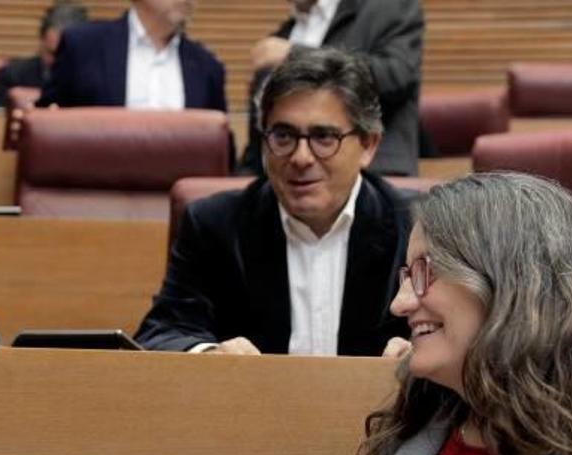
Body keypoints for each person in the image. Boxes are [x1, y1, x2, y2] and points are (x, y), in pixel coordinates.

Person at [352, 172, 572, 455]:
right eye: (407, 274)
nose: (399, 303)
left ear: (512, 282)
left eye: (426, 271)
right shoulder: (420, 426)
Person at [135, 47, 411, 355]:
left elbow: (462, 336)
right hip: (251, 402)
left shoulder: (417, 229)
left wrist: (422, 354)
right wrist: (208, 355)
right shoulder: (214, 224)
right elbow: (161, 333)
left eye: (323, 138)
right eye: (283, 136)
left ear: (368, 145)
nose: (301, 157)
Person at [239, 0, 423, 177]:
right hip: (284, 183)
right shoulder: (285, 33)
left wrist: (294, 54)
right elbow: (260, 137)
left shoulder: (389, 6)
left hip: (372, 175)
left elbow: (395, 75)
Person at [36, 0, 225, 112]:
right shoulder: (84, 46)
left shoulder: (207, 67)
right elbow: (47, 122)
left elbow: (220, 150)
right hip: (96, 176)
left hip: (178, 178)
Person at [0, 1, 88, 107]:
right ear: (41, 42)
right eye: (52, 53)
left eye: (66, 55)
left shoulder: (96, 83)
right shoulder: (11, 77)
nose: (58, 61)